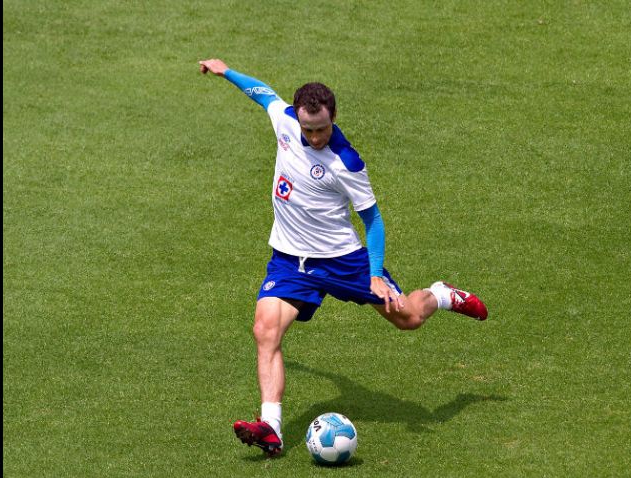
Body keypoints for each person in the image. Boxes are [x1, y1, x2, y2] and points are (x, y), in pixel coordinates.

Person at [198, 58, 488, 457]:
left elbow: (374, 221)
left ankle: (440, 294)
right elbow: (261, 91)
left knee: (408, 319)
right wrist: (225, 70)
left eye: (322, 128)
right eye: (308, 129)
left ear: (332, 117)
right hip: (289, 260)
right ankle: (271, 428)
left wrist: (373, 275)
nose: (315, 136)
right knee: (265, 331)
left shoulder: (346, 162)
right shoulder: (285, 120)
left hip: (343, 261)